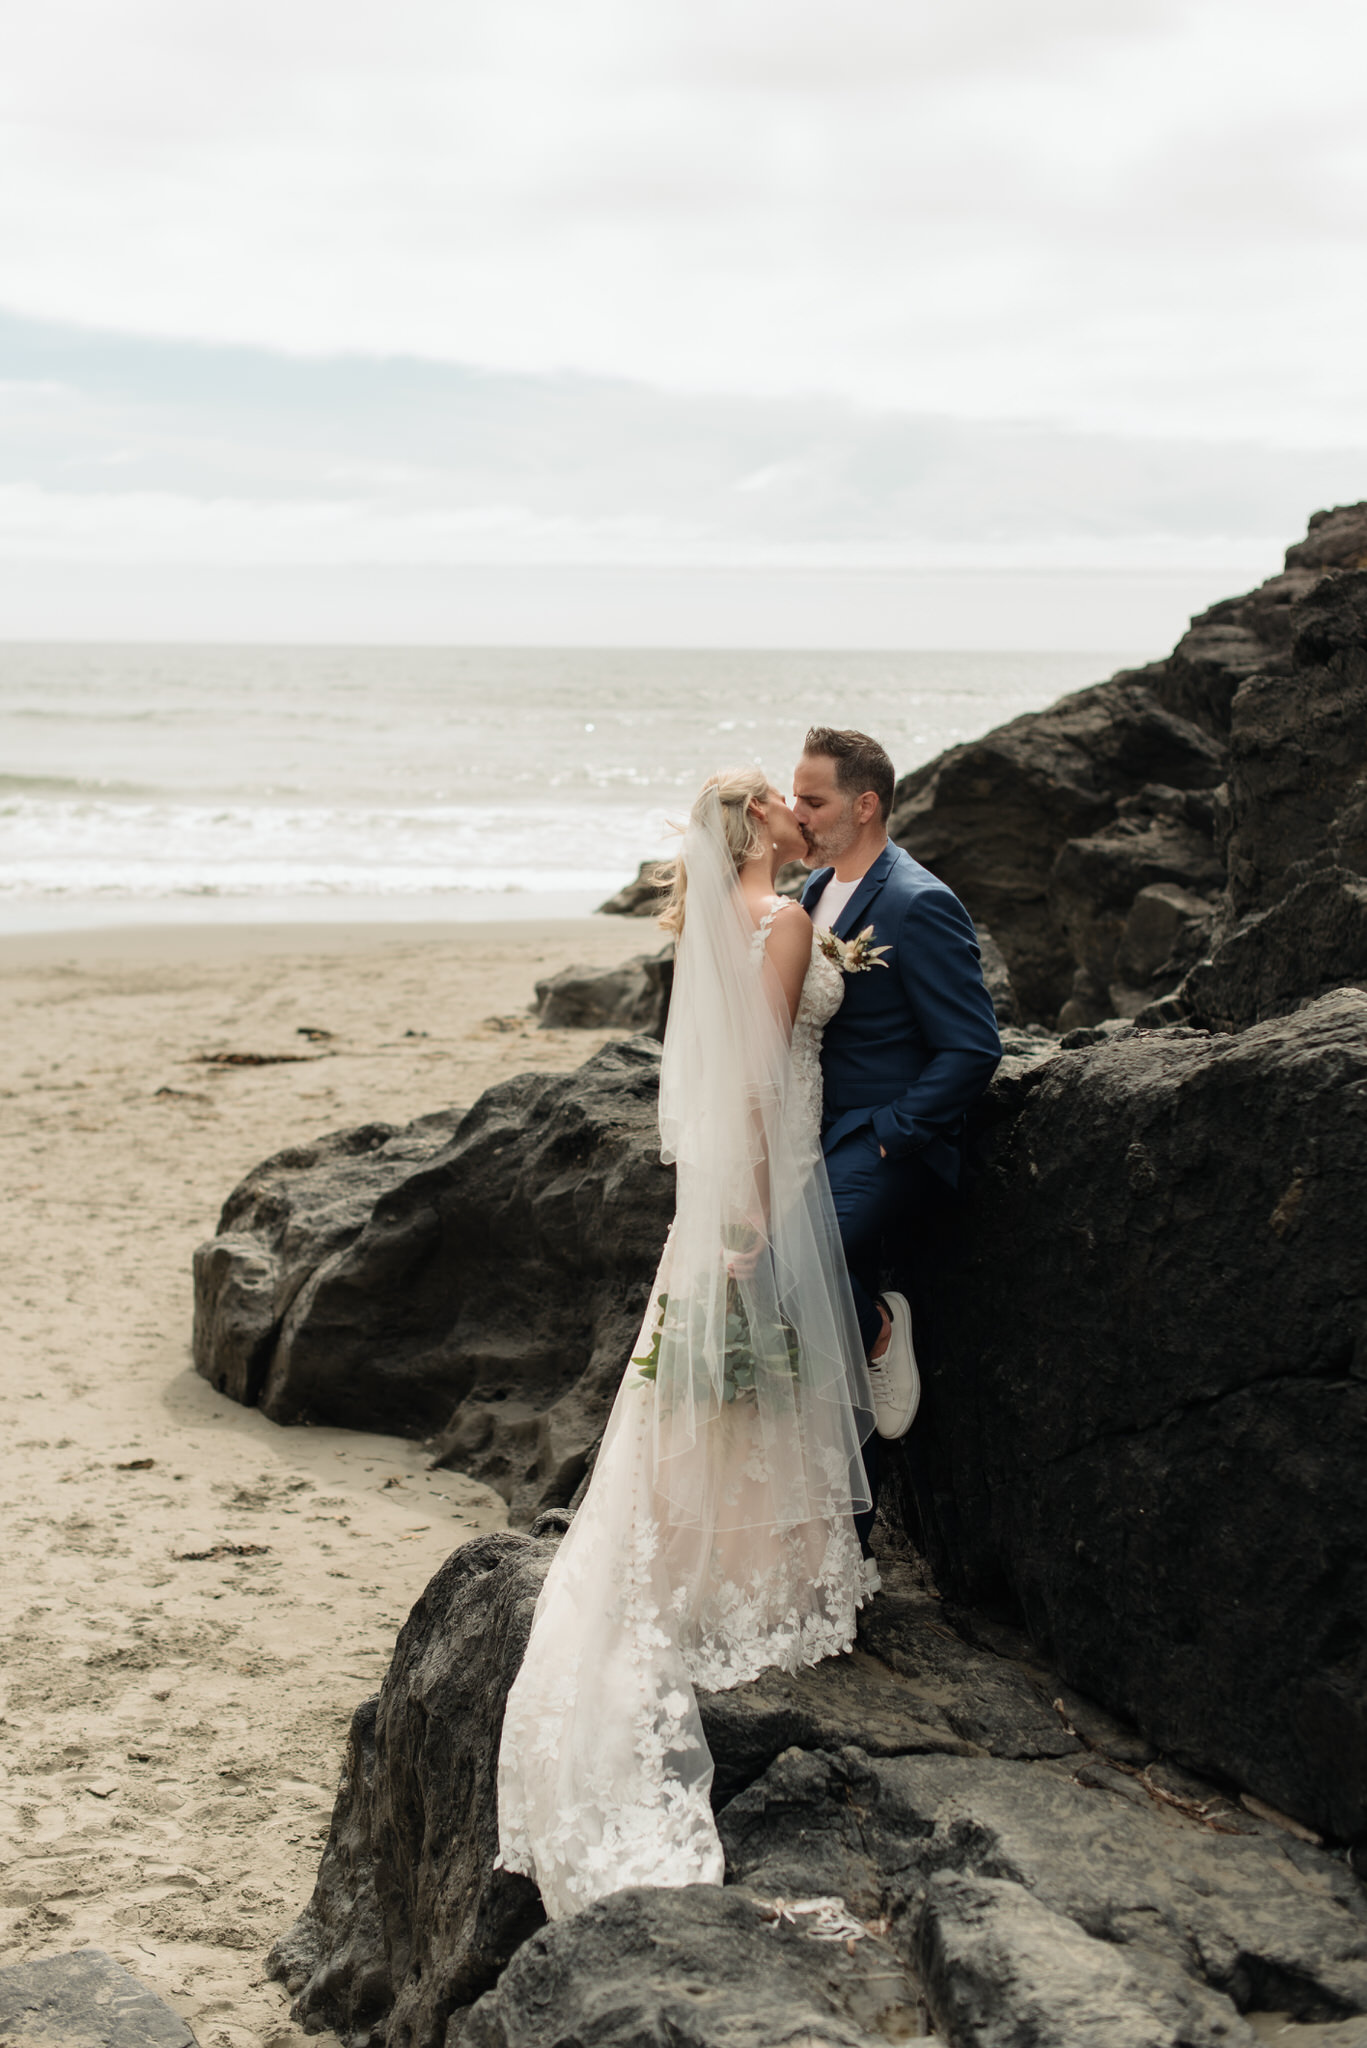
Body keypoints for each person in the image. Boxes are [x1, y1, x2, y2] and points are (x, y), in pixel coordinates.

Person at [496, 766, 876, 1921]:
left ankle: (721, 1560)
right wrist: (753, 1211)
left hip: (737, 1176)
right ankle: (751, 1577)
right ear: (754, 820)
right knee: (755, 1378)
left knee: (719, 1381)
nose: (794, 808)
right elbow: (756, 1085)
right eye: (777, 797)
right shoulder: (783, 919)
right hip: (769, 1170)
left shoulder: (738, 919)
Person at [792, 727, 1002, 1534]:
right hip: (813, 1133)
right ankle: (846, 1539)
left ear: (864, 804)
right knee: (807, 1317)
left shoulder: (917, 902)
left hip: (884, 1143)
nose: (798, 813)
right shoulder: (814, 892)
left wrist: (892, 1133)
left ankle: (879, 1325)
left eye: (813, 800)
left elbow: (971, 1046)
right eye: (796, 798)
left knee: (793, 1263)